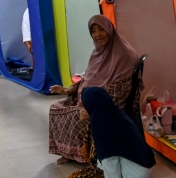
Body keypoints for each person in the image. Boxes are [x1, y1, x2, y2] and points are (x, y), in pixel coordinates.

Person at [49, 16, 140, 165]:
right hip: (88, 98)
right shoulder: (98, 52)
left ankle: (83, 155)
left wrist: (94, 105)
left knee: (72, 114)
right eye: (93, 31)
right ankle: (70, 152)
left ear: (109, 30)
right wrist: (68, 90)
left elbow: (121, 89)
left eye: (101, 29)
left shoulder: (123, 55)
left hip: (106, 103)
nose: (97, 34)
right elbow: (89, 78)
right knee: (56, 107)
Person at [65, 87, 156, 178]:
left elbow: (109, 158)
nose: (80, 104)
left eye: (83, 101)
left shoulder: (102, 125)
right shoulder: (114, 114)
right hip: (142, 170)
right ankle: (114, 177)